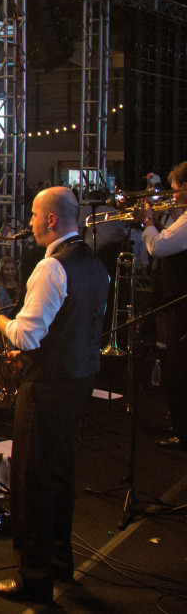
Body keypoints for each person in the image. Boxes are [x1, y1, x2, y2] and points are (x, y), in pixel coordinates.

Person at [0, 186, 108, 604]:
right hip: (78, 377)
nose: (29, 223)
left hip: (47, 388)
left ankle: (34, 578)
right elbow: (77, 324)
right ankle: (59, 563)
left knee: (31, 481)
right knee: (60, 474)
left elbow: (28, 332)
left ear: (51, 220)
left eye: (34, 215)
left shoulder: (51, 268)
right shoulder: (94, 263)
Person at [135, 161, 187, 449]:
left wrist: (148, 221)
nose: (174, 195)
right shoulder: (183, 216)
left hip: (182, 301)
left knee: (179, 367)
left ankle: (182, 431)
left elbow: (159, 246)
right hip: (176, 298)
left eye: (177, 190)